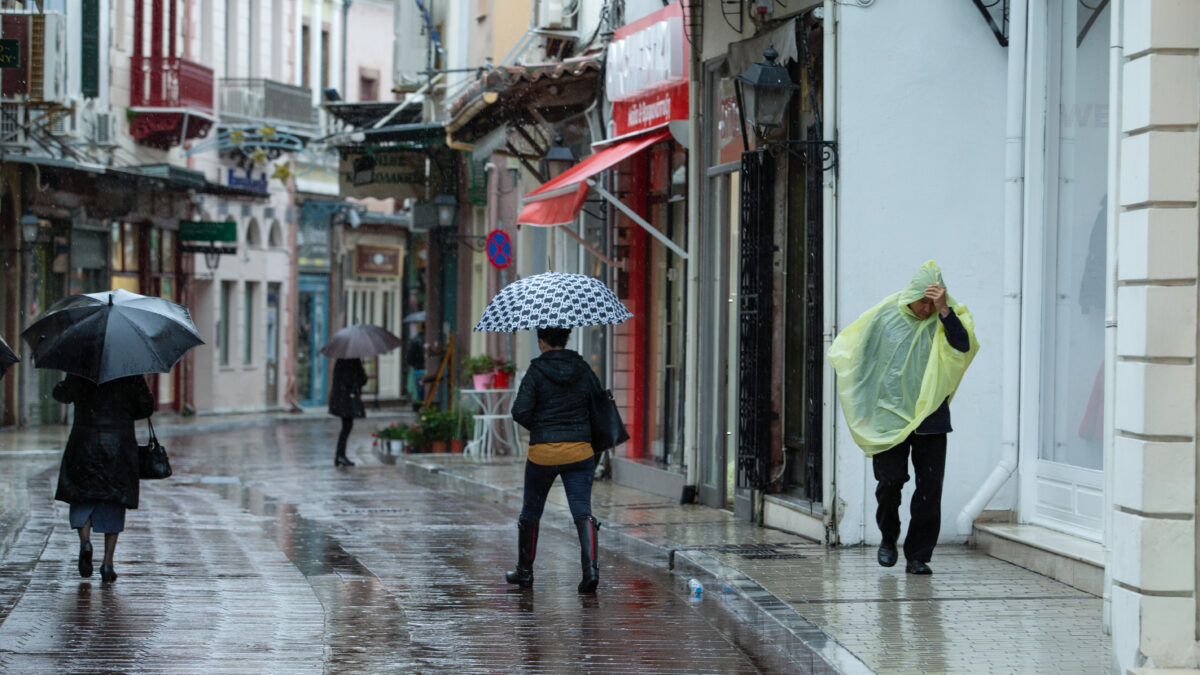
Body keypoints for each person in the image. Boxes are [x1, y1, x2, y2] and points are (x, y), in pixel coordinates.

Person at [828, 261, 979, 575]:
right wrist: (865, 409)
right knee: (890, 482)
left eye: (931, 302)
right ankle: (888, 537)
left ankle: (918, 556)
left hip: (931, 419)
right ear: (910, 294)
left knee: (929, 489)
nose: (925, 309)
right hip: (887, 417)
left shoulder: (945, 317)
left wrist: (944, 309)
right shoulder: (885, 315)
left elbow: (962, 346)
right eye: (922, 302)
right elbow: (860, 361)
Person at [506, 326, 602, 593]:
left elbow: (519, 411)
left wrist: (542, 427)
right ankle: (591, 570)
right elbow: (597, 403)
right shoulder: (582, 368)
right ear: (567, 338)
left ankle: (525, 572)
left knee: (531, 512)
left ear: (541, 341)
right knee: (582, 511)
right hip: (580, 452)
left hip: (543, 454)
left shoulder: (536, 371)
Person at [54, 374, 155, 583]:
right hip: (118, 443)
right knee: (114, 500)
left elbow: (62, 395)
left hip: (84, 442)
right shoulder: (130, 370)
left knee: (82, 496)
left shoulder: (81, 367)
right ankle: (108, 564)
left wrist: (64, 385)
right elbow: (145, 407)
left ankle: (85, 542)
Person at [329, 357, 368, 467]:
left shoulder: (340, 360)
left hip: (341, 398)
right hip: (347, 399)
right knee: (347, 427)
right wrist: (362, 372)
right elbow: (360, 380)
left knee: (346, 427)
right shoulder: (352, 360)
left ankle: (340, 455)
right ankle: (340, 455)